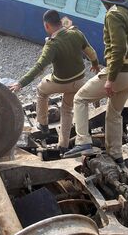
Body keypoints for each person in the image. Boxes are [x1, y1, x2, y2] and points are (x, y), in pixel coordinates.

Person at [64, 0, 128, 165]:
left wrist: (110, 78)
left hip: (120, 72)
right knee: (114, 114)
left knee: (80, 98)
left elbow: (119, 49)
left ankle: (83, 141)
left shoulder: (114, 14)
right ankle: (116, 155)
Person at [10, 10, 99, 152]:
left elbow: (39, 67)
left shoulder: (52, 44)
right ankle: (63, 146)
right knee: (67, 110)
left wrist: (21, 83)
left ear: (46, 26)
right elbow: (91, 52)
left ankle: (43, 124)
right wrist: (95, 64)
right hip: (79, 81)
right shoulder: (76, 33)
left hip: (61, 82)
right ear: (60, 22)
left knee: (41, 90)